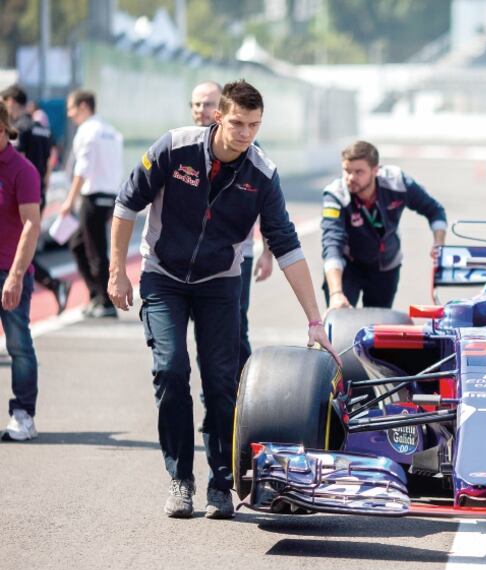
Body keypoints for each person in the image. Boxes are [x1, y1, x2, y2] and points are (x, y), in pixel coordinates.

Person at [109, 79, 336, 520]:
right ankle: (180, 478)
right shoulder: (174, 147)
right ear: (218, 117)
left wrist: (314, 318)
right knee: (171, 370)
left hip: (219, 283)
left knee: (221, 383)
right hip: (163, 276)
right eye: (237, 123)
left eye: (254, 125)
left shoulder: (262, 173)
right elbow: (125, 204)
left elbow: (287, 245)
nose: (245, 133)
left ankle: (220, 481)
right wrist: (117, 271)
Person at [189, 81, 272, 372]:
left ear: (221, 110)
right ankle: (214, 393)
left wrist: (267, 253)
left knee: (234, 326)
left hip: (236, 255)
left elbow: (269, 207)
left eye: (208, 104)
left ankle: (244, 389)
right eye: (196, 104)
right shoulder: (183, 145)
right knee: (205, 328)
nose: (201, 110)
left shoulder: (249, 148)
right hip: (191, 256)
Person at [321, 140, 447, 308]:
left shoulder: (398, 182)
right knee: (340, 317)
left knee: (378, 321)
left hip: (386, 266)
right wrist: (336, 293)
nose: (351, 178)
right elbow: (332, 244)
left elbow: (435, 210)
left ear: (375, 170)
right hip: (348, 267)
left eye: (359, 172)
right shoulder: (335, 195)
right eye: (347, 171)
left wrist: (439, 242)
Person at [2, 85, 70, 313]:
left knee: (16, 248)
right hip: (37, 193)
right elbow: (50, 163)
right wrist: (43, 189)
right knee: (22, 245)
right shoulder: (42, 129)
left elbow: (15, 162)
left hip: (18, 195)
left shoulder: (19, 129)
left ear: (11, 102)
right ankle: (54, 284)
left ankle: (54, 284)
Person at [60, 90, 123, 318]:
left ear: (84, 106)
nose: (69, 114)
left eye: (71, 108)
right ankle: (97, 295)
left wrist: (69, 200)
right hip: (109, 196)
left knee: (95, 250)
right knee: (78, 245)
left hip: (92, 197)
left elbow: (82, 169)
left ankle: (105, 302)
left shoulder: (87, 131)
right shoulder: (111, 131)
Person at [0, 105, 42, 440]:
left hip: (9, 270)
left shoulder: (22, 170)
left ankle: (24, 414)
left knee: (18, 345)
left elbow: (31, 224)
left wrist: (16, 275)